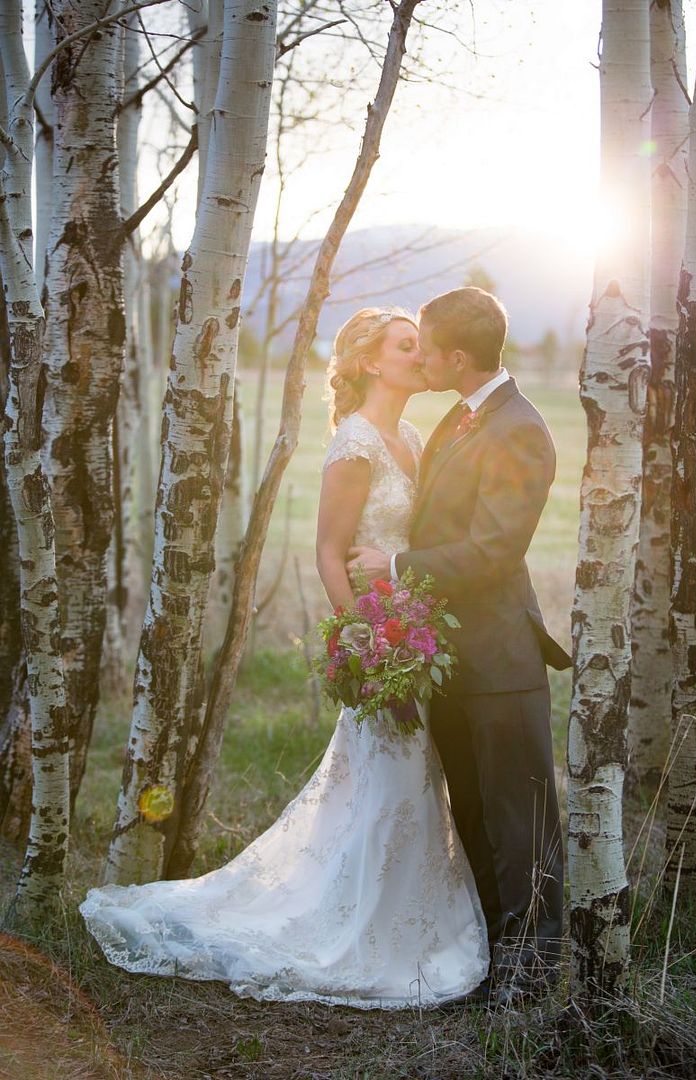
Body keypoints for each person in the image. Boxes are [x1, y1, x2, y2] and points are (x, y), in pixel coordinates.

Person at [80, 307, 490, 1010]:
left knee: (406, 785)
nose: (421, 356)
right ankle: (364, 929)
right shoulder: (355, 444)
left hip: (414, 637)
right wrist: (366, 644)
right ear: (368, 362)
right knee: (390, 781)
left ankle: (410, 919)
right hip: (379, 645)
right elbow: (329, 554)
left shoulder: (414, 437)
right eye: (406, 345)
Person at [348, 287, 571, 1004]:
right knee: (472, 815)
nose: (421, 357)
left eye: (428, 347)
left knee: (520, 824)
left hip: (502, 663)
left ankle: (532, 976)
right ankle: (485, 961)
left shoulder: (520, 429)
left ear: (459, 357)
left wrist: (397, 569)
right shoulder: (460, 416)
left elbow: (494, 550)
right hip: (449, 659)